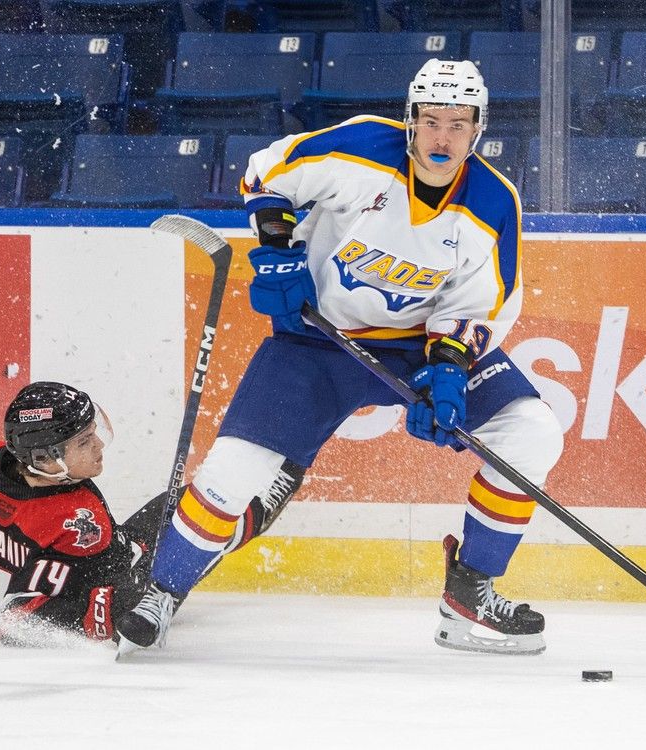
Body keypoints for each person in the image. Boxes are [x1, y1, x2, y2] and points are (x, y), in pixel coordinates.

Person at [116, 59, 565, 656]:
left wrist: (450, 370)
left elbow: (482, 303)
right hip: (317, 341)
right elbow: (266, 172)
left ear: (478, 129)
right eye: (430, 121)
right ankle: (163, 590)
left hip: (415, 348)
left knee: (531, 431)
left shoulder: (493, 201)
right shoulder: (361, 148)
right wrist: (277, 250)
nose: (442, 138)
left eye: (458, 125)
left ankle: (470, 593)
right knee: (231, 474)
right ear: (409, 120)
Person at [0, 380, 303, 645]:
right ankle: (260, 506)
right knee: (194, 520)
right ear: (46, 458)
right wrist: (123, 602)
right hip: (114, 580)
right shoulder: (79, 517)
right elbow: (27, 614)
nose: (99, 447)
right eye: (85, 441)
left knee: (177, 504)